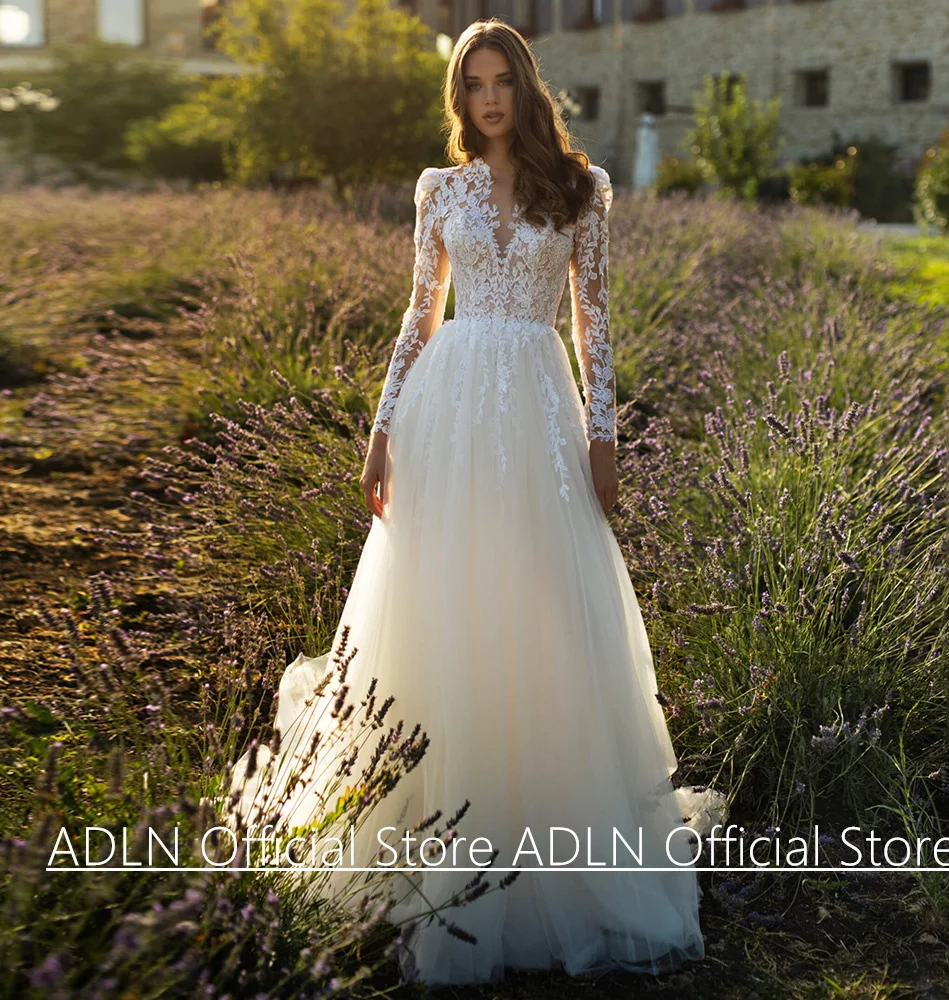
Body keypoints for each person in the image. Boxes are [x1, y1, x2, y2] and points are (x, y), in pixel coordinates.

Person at [227, 18, 727, 988]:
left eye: (502, 81)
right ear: (460, 98)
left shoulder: (581, 191)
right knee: (441, 614)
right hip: (446, 417)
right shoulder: (440, 190)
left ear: (527, 89)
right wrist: (380, 427)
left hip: (538, 419)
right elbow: (418, 318)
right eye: (474, 84)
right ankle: (429, 847)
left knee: (540, 611)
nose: (488, 98)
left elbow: (597, 329)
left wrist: (603, 434)